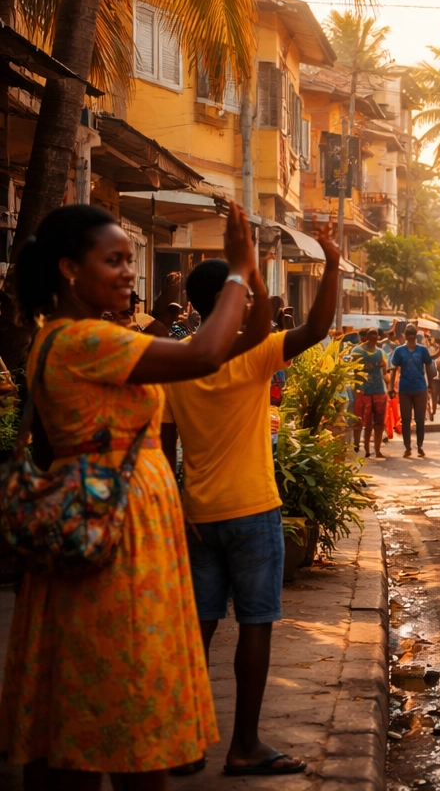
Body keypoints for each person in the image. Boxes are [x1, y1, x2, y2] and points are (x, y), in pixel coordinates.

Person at [1, 202, 259, 790]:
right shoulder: (86, 338)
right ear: (69, 269)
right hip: (116, 526)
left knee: (80, 699)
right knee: (125, 687)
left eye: (128, 259)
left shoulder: (56, 337)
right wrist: (239, 272)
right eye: (112, 260)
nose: (126, 272)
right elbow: (204, 353)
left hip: (99, 512)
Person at [161, 223, 340, 778]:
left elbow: (166, 450)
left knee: (200, 629)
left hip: (198, 514)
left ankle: (184, 743)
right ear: (227, 302)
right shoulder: (254, 354)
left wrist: (179, 509)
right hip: (253, 512)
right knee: (255, 625)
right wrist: (330, 261)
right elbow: (315, 327)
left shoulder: (178, 362)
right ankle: (243, 744)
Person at [391, 325, 432, 457]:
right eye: (408, 333)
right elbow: (393, 370)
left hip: (420, 388)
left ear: (416, 334)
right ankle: (407, 447)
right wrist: (391, 388)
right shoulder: (399, 351)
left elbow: (429, 366)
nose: (411, 335)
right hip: (405, 389)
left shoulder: (423, 350)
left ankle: (420, 445)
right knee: (406, 419)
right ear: (405, 335)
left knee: (420, 420)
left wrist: (431, 384)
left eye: (413, 333)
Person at [350, 328, 390, 458]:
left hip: (379, 390)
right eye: (371, 337)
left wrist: (389, 387)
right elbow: (352, 369)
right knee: (366, 423)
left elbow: (385, 372)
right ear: (367, 337)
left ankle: (377, 450)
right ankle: (366, 449)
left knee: (379, 424)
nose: (373, 340)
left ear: (378, 338)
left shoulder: (381, 353)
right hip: (364, 391)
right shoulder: (357, 351)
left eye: (375, 337)